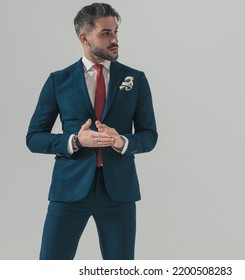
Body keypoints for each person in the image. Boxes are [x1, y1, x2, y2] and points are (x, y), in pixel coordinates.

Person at [26, 3, 157, 260]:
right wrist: (75, 140)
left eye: (116, 32)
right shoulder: (58, 80)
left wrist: (122, 142)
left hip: (118, 193)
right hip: (69, 190)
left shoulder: (136, 79)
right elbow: (34, 137)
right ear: (84, 37)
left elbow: (149, 135)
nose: (115, 39)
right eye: (106, 33)